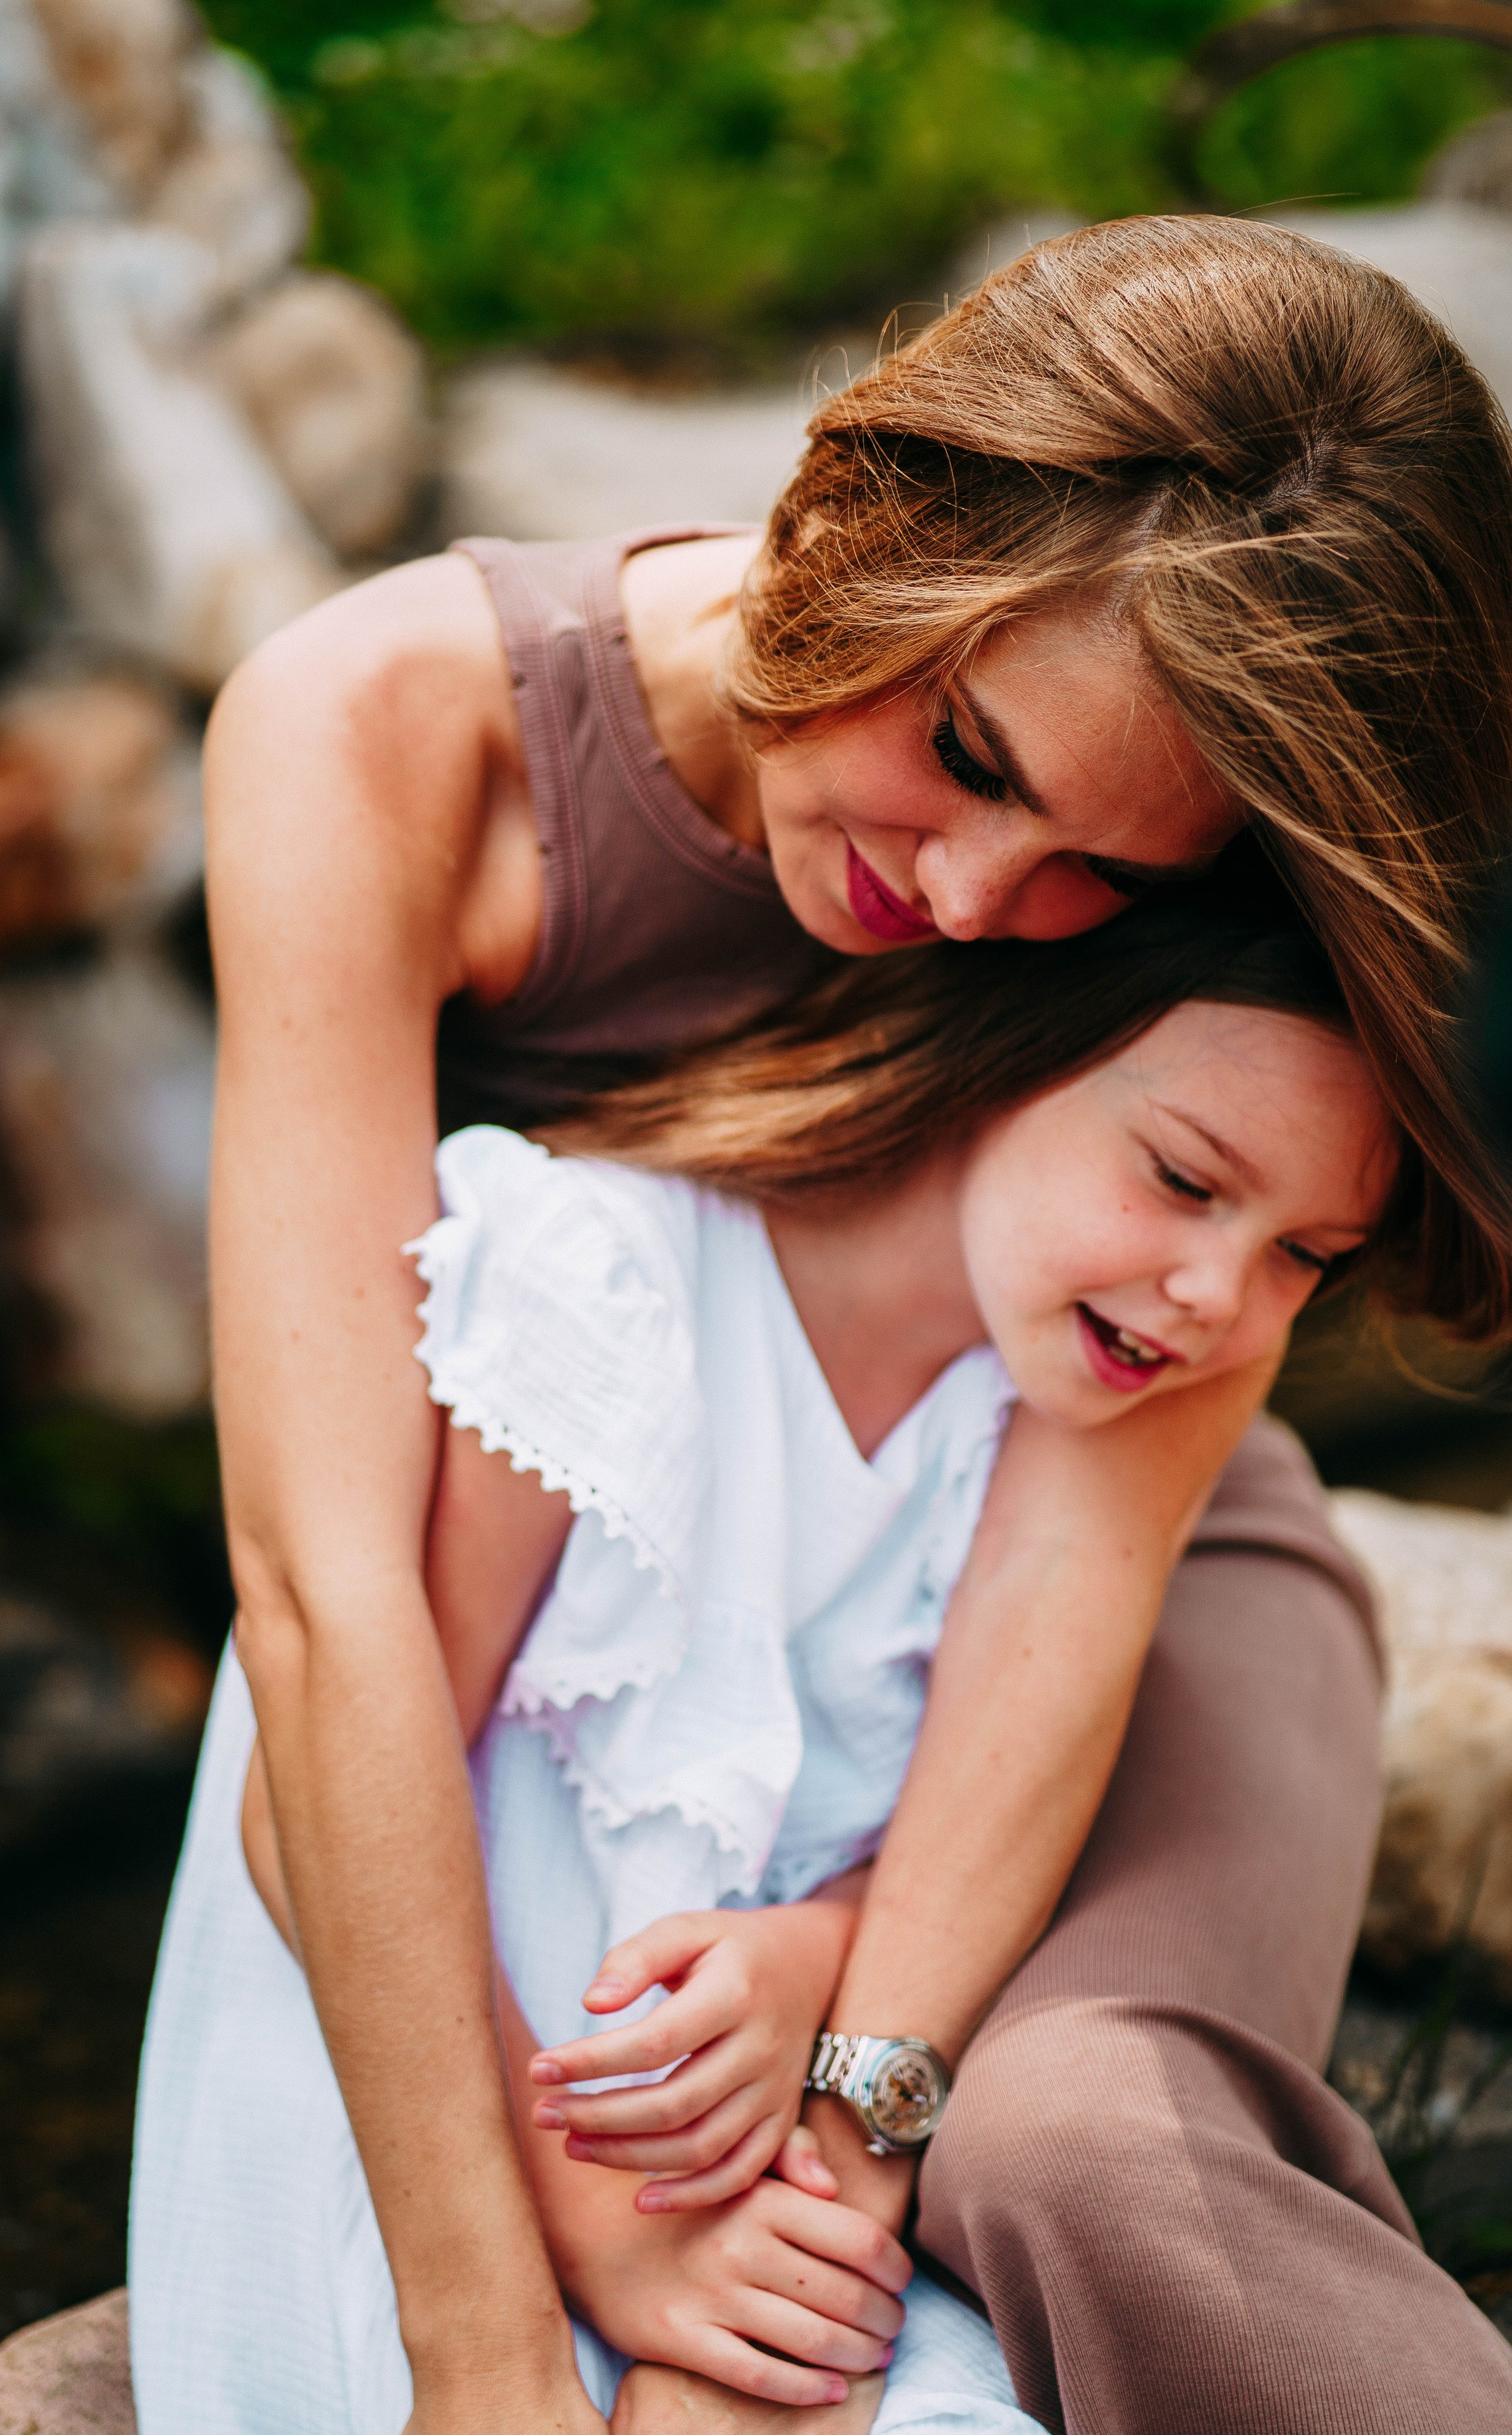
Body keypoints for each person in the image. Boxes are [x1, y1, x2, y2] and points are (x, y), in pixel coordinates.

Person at [0, 213, 1512, 2435]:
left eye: (1104, 883)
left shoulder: (1214, 810)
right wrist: (506, 2325)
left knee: (1077, 2153)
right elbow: (327, 1602)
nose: (971, 904)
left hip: (1081, 1602)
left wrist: (838, 2097)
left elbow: (1080, 1549)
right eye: (969, 753)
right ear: (866, 511)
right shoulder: (385, 735)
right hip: (628, 1664)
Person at [129, 890, 1511, 2435]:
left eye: (1302, 1256)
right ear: (1006, 1050)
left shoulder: (1050, 1420)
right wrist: (591, 2235)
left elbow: (944, 1837)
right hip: (444, 2132)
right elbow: (303, 1806)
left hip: (735, 2159)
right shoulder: (605, 1276)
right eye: (1182, 1180)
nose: (1218, 1297)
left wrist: (813, 1951)